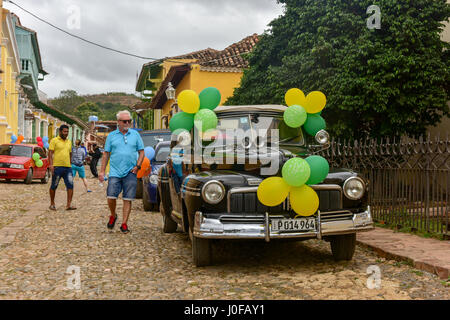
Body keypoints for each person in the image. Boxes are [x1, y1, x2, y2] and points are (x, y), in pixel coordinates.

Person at [99, 110, 144, 234]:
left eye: (129, 121)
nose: (127, 123)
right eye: (125, 121)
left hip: (131, 172)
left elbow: (141, 152)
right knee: (111, 196)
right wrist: (102, 171)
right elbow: (106, 154)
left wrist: (138, 166)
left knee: (127, 198)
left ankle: (124, 223)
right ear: (118, 122)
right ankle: (113, 214)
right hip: (115, 171)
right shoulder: (112, 136)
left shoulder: (135, 135)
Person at [48, 124, 76, 211]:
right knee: (54, 185)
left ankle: (68, 205)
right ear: (60, 131)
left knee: (70, 185)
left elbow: (70, 153)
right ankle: (52, 204)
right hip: (57, 167)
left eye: (67, 132)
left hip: (68, 168)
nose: (66, 133)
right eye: (64, 131)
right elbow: (50, 153)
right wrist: (51, 165)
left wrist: (70, 163)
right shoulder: (54, 140)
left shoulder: (69, 142)